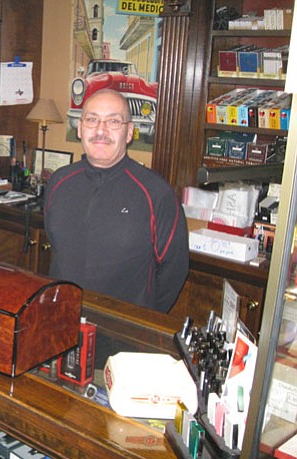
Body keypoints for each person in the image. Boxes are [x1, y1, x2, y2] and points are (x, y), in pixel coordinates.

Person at [44, 89, 189, 313]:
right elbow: (58, 246)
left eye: (113, 121)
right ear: (80, 128)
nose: (101, 130)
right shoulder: (59, 182)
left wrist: (141, 320)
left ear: (129, 132)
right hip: (62, 320)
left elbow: (174, 270)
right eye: (92, 120)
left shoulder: (156, 194)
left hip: (122, 330)